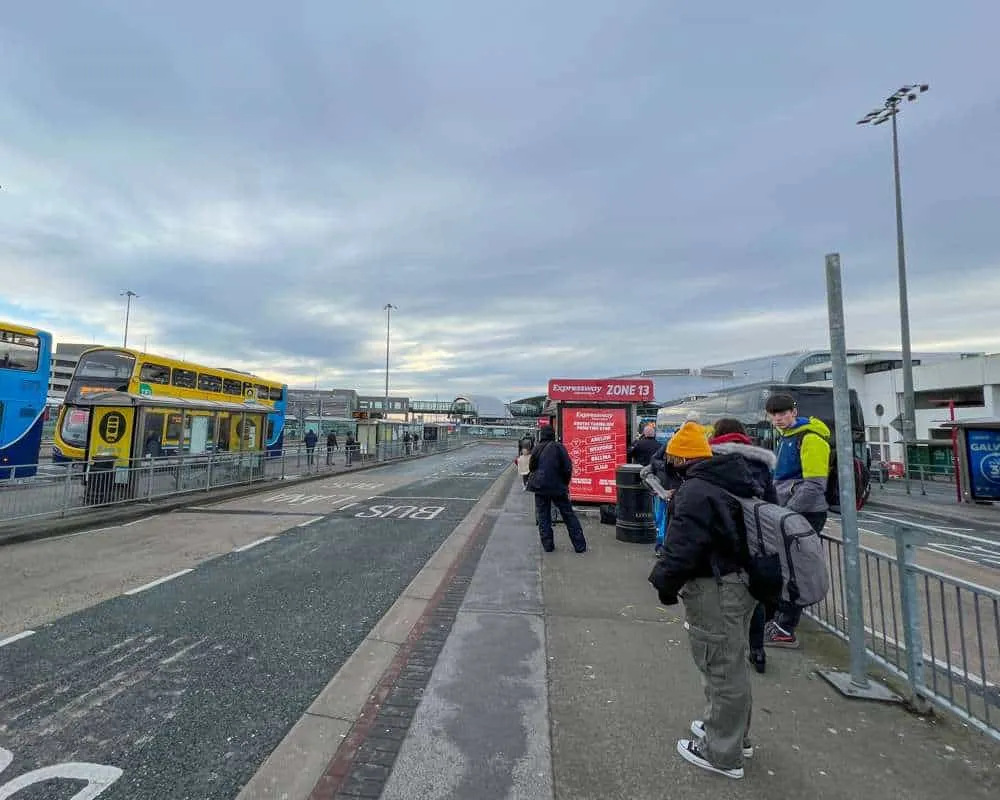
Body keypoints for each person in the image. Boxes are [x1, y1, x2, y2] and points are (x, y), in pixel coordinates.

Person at [653, 421, 759, 780]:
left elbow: (681, 549)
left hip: (716, 588)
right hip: (741, 585)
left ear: (682, 457)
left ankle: (721, 752)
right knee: (733, 662)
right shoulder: (730, 479)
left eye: (672, 458)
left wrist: (664, 585)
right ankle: (732, 733)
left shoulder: (696, 491)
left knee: (720, 665)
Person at [709, 418, 777, 674]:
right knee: (756, 595)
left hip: (722, 535)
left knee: (721, 592)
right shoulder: (761, 463)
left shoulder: (712, 459)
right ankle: (757, 650)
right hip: (756, 537)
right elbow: (772, 503)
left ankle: (727, 652)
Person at [764, 392, 831, 649]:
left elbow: (814, 485)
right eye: (774, 415)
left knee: (795, 570)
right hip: (792, 512)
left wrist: (787, 513)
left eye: (782, 413)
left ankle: (785, 628)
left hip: (804, 514)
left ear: (794, 411)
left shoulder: (810, 438)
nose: (778, 419)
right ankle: (779, 621)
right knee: (784, 568)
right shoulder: (788, 438)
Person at [528, 425, 587, 553]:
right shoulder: (559, 447)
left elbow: (531, 467)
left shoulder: (537, 448)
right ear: (553, 435)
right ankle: (579, 545)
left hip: (540, 487)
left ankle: (548, 546)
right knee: (568, 515)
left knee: (543, 516)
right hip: (558, 487)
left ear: (542, 435)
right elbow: (567, 467)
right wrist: (564, 483)